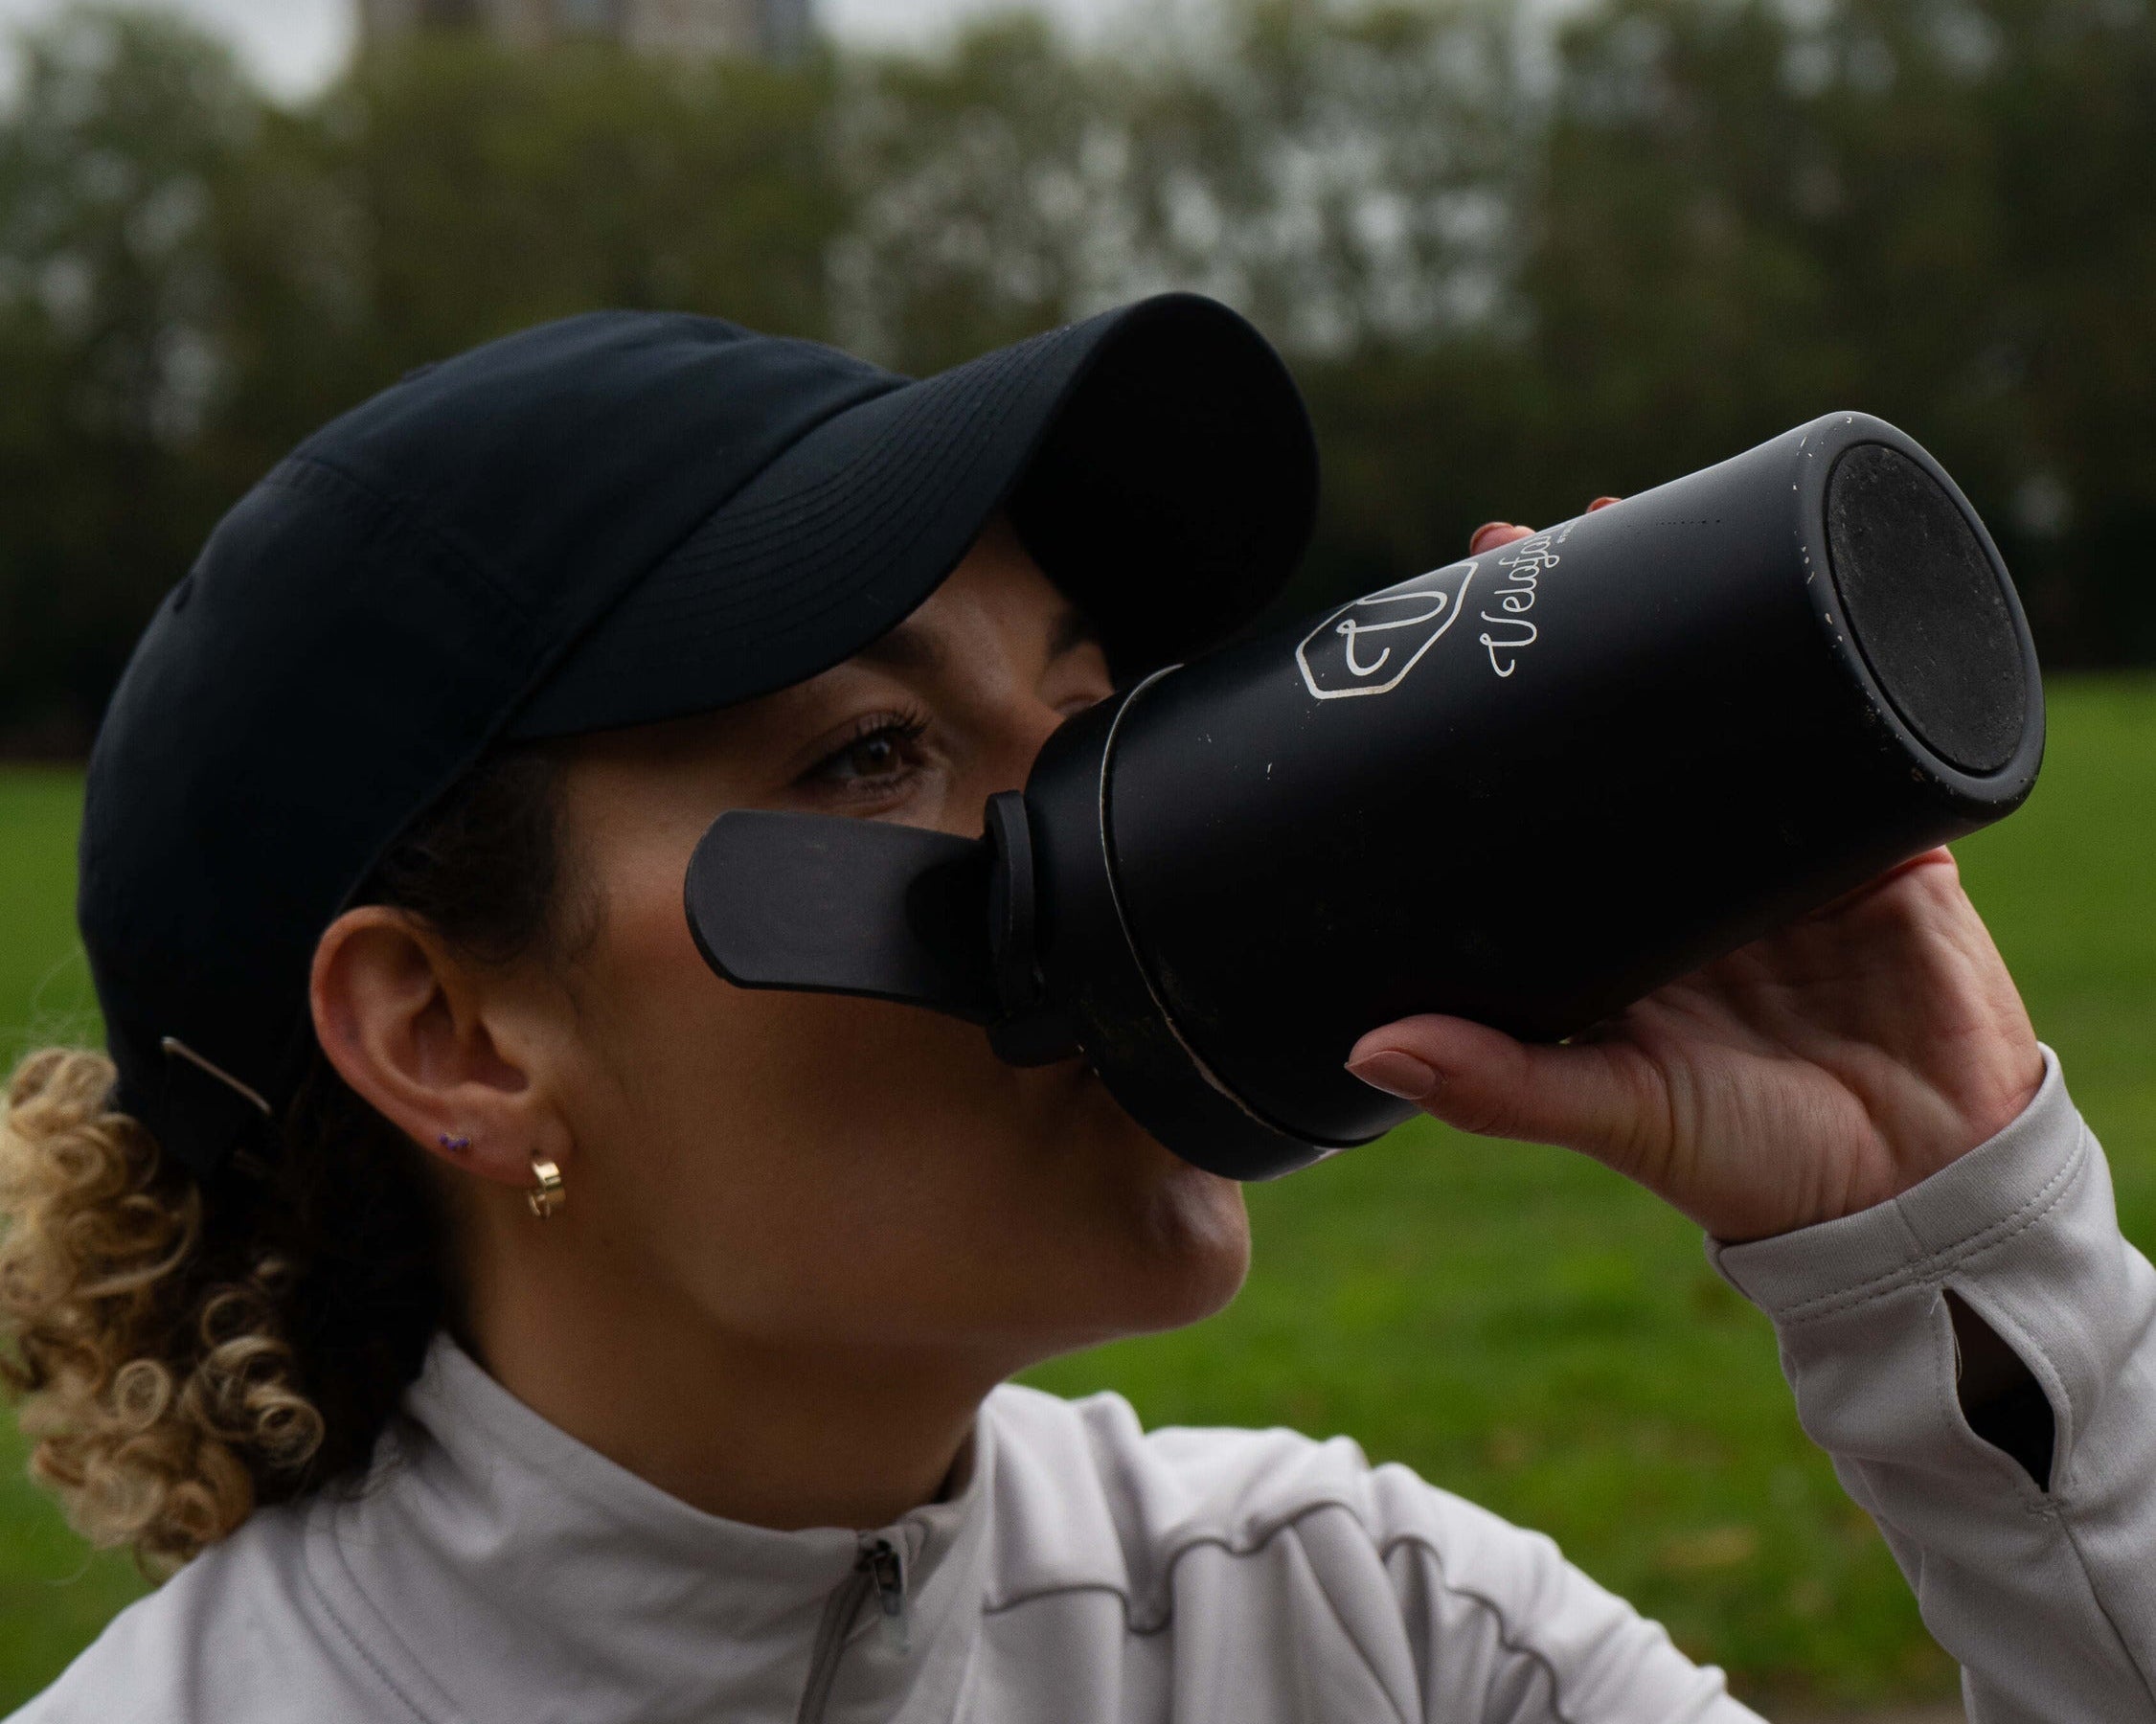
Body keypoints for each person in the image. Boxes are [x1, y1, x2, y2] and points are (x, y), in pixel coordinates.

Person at [0, 295, 2147, 1724]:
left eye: (1093, 710)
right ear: (450, 1037)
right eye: (870, 756)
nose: (1126, 836)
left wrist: (1957, 1233)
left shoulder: (1353, 1638)